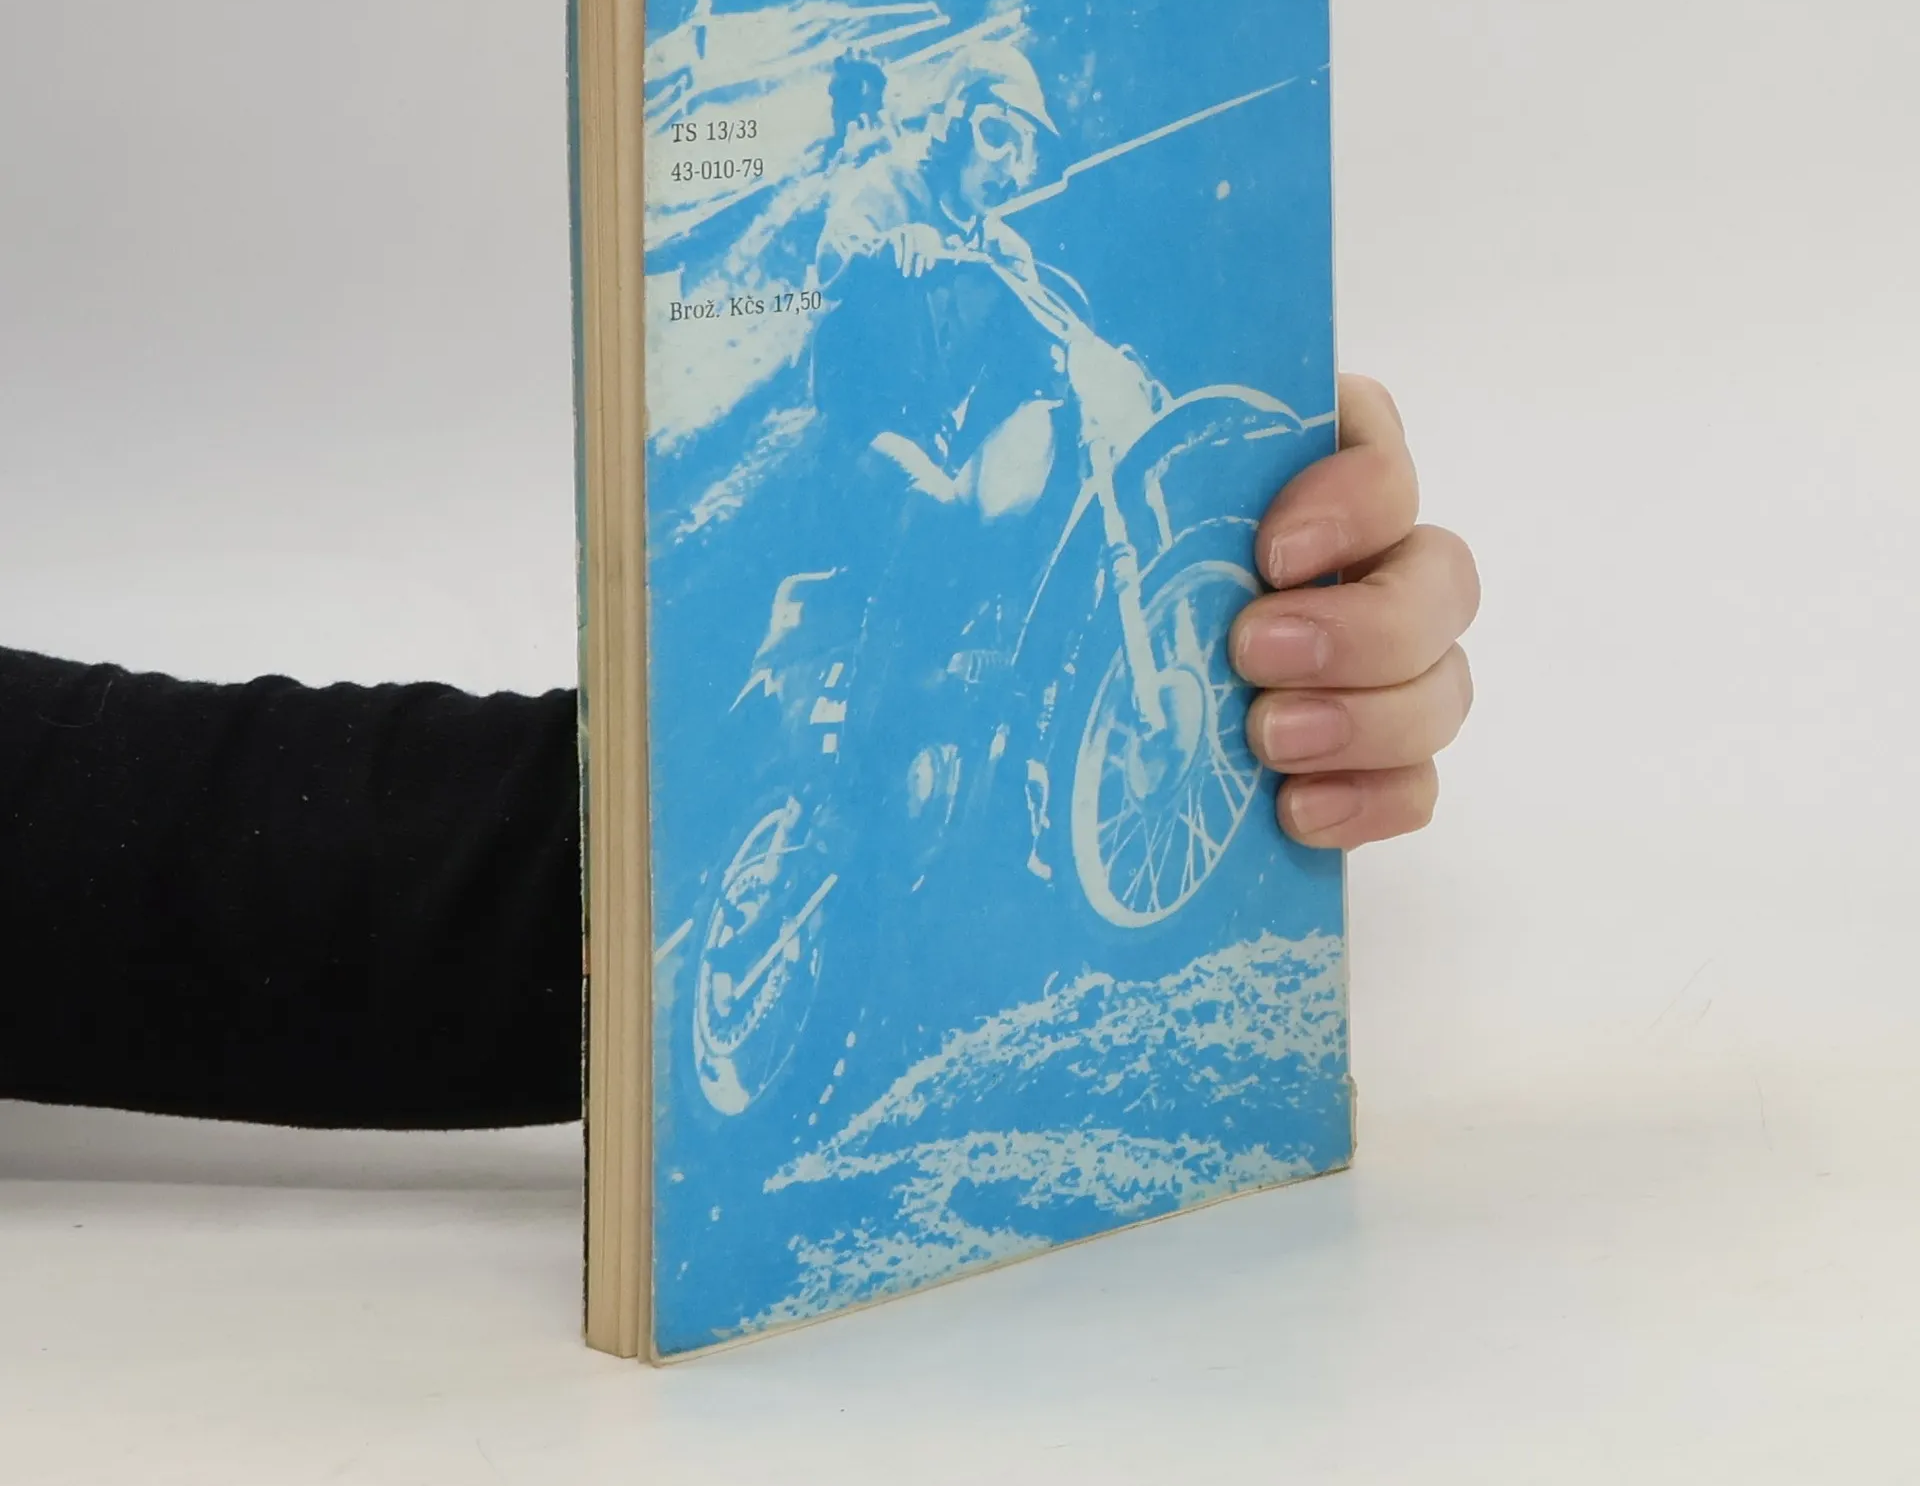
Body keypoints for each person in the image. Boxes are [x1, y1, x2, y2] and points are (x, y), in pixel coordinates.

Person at [0, 369, 1475, 1133]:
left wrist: (1259, 575)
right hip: (884, 513)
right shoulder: (889, 249)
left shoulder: (991, 259)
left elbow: (120, 851)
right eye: (986, 134)